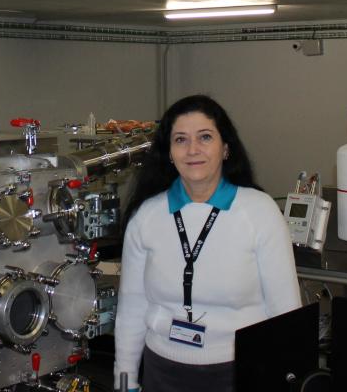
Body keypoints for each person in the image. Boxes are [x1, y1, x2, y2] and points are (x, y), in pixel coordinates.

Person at [113, 95, 301, 392]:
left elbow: (286, 311)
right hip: (162, 373)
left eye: (205, 137)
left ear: (225, 148)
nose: (192, 150)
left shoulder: (259, 211)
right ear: (169, 153)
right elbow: (132, 309)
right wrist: (125, 382)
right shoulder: (147, 216)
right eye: (180, 140)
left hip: (241, 372)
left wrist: (291, 380)